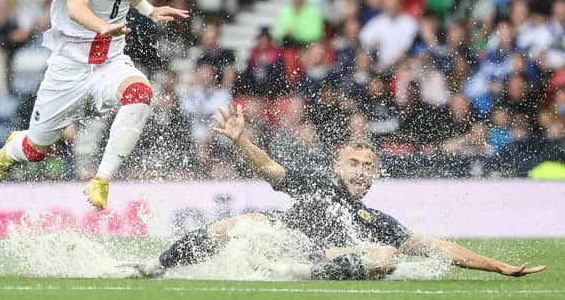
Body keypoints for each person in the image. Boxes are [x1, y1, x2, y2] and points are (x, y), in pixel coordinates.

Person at [126, 103, 546, 280]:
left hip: (312, 261)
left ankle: (294, 273)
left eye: (368, 167)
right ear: (337, 165)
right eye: (353, 163)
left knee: (389, 256)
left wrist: (500, 267)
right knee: (243, 221)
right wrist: (240, 140)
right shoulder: (316, 183)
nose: (360, 171)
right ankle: (155, 265)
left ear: (375, 175)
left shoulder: (376, 222)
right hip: (280, 240)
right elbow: (271, 170)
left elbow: (440, 246)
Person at [0, 0, 188, 210]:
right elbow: (76, 7)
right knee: (36, 148)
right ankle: (12, 147)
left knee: (141, 93)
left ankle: (101, 180)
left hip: (109, 61)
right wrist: (101, 26)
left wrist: (150, 10)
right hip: (69, 67)